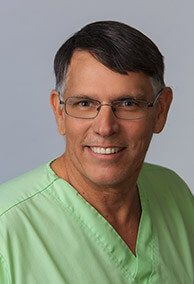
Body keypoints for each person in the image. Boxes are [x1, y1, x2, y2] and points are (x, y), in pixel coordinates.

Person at [0, 20, 193, 284]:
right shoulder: (6, 228)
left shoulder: (174, 192)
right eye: (84, 103)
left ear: (160, 111)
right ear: (59, 112)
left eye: (128, 103)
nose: (105, 128)